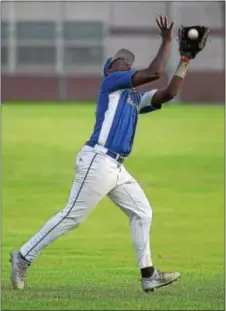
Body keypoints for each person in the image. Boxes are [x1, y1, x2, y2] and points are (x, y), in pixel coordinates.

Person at [10, 16, 200, 293]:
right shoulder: (111, 84)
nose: (126, 62)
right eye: (120, 60)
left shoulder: (133, 98)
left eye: (128, 61)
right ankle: (24, 256)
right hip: (98, 160)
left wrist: (184, 60)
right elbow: (154, 73)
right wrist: (167, 41)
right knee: (72, 216)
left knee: (142, 212)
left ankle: (148, 274)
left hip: (116, 168)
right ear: (110, 69)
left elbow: (169, 92)